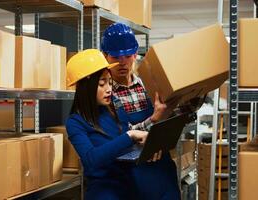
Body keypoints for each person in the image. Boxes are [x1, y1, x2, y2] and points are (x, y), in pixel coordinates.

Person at [101, 22, 182, 200]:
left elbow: (170, 117)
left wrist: (185, 104)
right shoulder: (104, 94)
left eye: (128, 55)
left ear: (136, 54)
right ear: (105, 56)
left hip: (161, 169)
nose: (122, 62)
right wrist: (154, 119)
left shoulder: (149, 83)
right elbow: (117, 136)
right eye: (116, 57)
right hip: (129, 175)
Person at [65, 49, 149, 200]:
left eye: (110, 82)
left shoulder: (115, 108)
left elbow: (124, 144)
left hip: (130, 186)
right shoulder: (75, 122)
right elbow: (91, 159)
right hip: (104, 192)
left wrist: (146, 148)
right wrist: (130, 136)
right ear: (86, 87)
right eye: (102, 84)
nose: (109, 89)